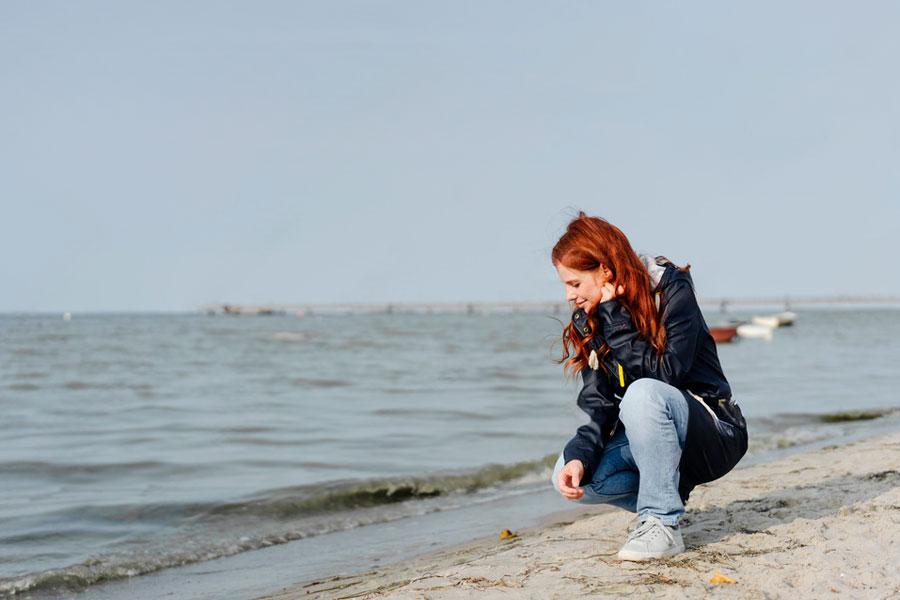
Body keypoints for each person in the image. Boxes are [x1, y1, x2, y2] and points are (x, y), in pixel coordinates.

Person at [549, 212, 748, 561]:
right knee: (567, 474)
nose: (569, 296)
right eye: (565, 285)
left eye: (575, 283)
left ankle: (661, 520)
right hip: (655, 437)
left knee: (642, 392)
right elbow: (600, 407)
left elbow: (667, 374)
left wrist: (615, 319)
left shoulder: (669, 287)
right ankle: (664, 500)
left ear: (605, 271)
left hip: (713, 429)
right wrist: (580, 456)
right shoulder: (590, 320)